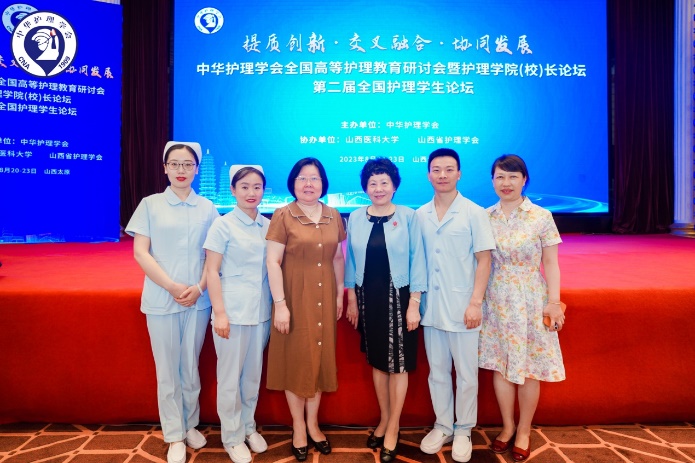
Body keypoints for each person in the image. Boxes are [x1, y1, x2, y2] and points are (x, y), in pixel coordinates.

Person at [125, 141, 219, 463]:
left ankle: (190, 424)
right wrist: (171, 286)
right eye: (175, 164)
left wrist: (199, 287)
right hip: (161, 299)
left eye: (187, 164)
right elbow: (141, 253)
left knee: (189, 366)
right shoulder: (150, 205)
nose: (181, 170)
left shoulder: (207, 208)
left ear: (196, 169)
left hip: (197, 300)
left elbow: (214, 256)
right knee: (167, 369)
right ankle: (174, 434)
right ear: (165, 168)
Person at [479, 154, 565, 462]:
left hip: (530, 298)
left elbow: (551, 263)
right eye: (500, 177)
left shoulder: (541, 216)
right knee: (501, 365)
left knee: (529, 369)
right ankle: (507, 427)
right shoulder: (484, 217)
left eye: (513, 176)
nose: (506, 183)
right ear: (492, 181)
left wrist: (553, 302)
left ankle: (525, 430)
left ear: (524, 179)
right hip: (496, 299)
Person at [344, 158, 427, 463]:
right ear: (365, 187)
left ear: (394, 186)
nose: (378, 188)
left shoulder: (408, 216)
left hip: (400, 296)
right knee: (378, 362)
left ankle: (393, 426)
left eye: (384, 182)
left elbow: (419, 259)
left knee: (399, 365)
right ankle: (383, 418)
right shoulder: (355, 217)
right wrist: (352, 299)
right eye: (372, 183)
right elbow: (351, 261)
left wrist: (414, 304)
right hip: (369, 296)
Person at [416, 148, 495, 463]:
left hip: (464, 307)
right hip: (432, 307)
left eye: (449, 169)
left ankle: (463, 429)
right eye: (436, 169)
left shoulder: (474, 212)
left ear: (459, 174)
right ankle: (443, 425)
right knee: (437, 372)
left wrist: (475, 303)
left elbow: (484, 260)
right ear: (428, 175)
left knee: (466, 374)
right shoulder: (420, 214)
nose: (443, 175)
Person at [265, 157, 346, 462]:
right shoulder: (283, 215)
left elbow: (337, 258)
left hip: (325, 296)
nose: (308, 184)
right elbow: (273, 261)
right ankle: (298, 426)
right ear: (293, 183)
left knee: (319, 358)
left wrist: (340, 294)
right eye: (302, 178)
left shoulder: (333, 215)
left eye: (314, 178)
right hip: (294, 298)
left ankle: (313, 424)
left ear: (323, 183)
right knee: (297, 359)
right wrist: (280, 305)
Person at [203, 165, 270, 463]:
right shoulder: (222, 225)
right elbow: (212, 271)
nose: (251, 192)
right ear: (233, 190)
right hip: (231, 313)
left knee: (252, 376)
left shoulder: (268, 226)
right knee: (230, 379)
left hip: (261, 313)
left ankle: (248, 426)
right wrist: (219, 312)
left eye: (257, 187)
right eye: (244, 187)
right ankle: (231, 437)